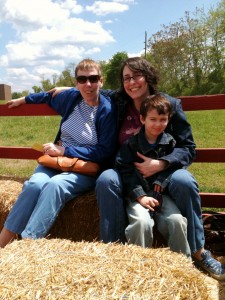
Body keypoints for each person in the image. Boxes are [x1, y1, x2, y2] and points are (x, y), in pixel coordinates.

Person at [48, 57, 225, 280]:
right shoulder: (121, 100)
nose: (131, 83)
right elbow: (91, 87)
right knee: (106, 179)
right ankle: (114, 251)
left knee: (185, 181)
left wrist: (161, 164)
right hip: (124, 168)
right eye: (126, 78)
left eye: (136, 76)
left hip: (164, 170)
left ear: (148, 76)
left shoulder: (169, 104)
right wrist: (68, 87)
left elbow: (188, 148)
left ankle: (198, 251)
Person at [0, 58, 117, 248]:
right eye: (82, 79)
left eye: (93, 79)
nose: (88, 84)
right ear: (76, 83)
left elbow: (105, 151)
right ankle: (3, 242)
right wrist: (23, 99)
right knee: (33, 186)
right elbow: (47, 97)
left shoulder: (107, 110)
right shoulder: (71, 98)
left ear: (101, 81)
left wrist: (65, 150)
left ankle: (27, 245)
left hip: (83, 167)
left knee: (55, 186)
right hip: (55, 161)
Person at [115, 94, 191, 257]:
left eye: (163, 119)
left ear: (169, 119)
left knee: (176, 221)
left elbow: (175, 165)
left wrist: (161, 181)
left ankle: (183, 266)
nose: (158, 124)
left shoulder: (170, 144)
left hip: (162, 195)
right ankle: (138, 267)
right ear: (142, 119)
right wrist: (140, 195)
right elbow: (124, 170)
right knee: (141, 223)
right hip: (138, 196)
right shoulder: (131, 145)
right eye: (153, 119)